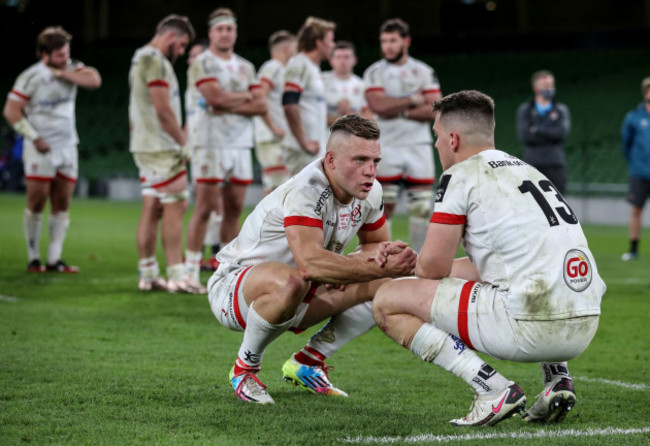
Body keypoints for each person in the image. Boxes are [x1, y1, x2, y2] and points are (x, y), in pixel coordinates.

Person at [372, 90, 606, 427]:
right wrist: (420, 266)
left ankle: (492, 389)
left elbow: (433, 268)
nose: (436, 145)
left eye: (436, 136)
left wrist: (413, 265)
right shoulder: (530, 171)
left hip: (528, 325)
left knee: (387, 300)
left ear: (453, 139)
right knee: (528, 271)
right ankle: (558, 380)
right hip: (584, 322)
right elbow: (496, 265)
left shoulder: (460, 175)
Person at [207, 115, 417, 404]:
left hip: (304, 287)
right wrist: (356, 267)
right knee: (292, 281)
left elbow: (375, 246)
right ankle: (245, 370)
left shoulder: (371, 191)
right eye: (359, 160)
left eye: (375, 161)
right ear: (330, 160)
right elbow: (310, 265)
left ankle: (308, 361)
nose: (370, 171)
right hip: (235, 290)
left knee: (387, 281)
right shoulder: (307, 190)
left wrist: (382, 261)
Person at [3, 26, 101, 273]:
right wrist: (34, 137)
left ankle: (55, 259)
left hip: (68, 146)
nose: (64, 59)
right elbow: (11, 111)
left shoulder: (71, 68)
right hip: (40, 148)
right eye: (59, 55)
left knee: (62, 202)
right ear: (44, 55)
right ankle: (34, 258)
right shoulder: (31, 77)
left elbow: (94, 80)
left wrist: (66, 73)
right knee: (36, 201)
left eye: (66, 53)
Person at [185, 8, 267, 286]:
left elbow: (261, 104)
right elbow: (213, 98)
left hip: (241, 143)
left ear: (235, 32)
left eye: (229, 29)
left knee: (234, 208)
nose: (225, 33)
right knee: (205, 207)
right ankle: (189, 271)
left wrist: (229, 100)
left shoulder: (246, 66)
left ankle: (225, 270)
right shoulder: (202, 62)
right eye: (219, 29)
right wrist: (244, 97)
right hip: (210, 142)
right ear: (210, 33)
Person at [129, 14, 202, 293]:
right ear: (171, 37)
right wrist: (182, 142)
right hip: (160, 146)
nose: (182, 52)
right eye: (182, 45)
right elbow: (162, 108)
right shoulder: (155, 60)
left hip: (144, 143)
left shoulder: (140, 58)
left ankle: (148, 273)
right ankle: (178, 275)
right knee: (177, 204)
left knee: (152, 207)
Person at [363, 18, 442, 253]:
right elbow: (378, 105)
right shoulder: (374, 72)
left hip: (418, 145)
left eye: (392, 41)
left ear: (405, 41)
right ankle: (382, 262)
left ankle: (420, 264)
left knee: (421, 208)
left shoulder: (424, 71)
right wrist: (414, 99)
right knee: (382, 206)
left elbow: (435, 108)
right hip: (386, 145)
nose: (387, 46)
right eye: (384, 41)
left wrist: (401, 110)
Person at [183, 40, 222, 272]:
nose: (192, 59)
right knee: (204, 201)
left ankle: (215, 251)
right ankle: (206, 252)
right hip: (197, 145)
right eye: (190, 56)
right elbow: (191, 117)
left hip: (213, 145)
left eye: (196, 55)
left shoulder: (211, 83)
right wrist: (185, 143)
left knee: (214, 202)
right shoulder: (191, 84)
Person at [282, 17, 335, 176]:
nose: (332, 45)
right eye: (330, 40)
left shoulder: (313, 68)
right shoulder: (299, 63)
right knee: (304, 199)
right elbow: (289, 103)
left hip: (315, 148)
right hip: (303, 150)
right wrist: (303, 142)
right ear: (318, 43)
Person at [253, 30, 296, 195]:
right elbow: (260, 98)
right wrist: (273, 128)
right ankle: (267, 221)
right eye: (294, 48)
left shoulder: (281, 70)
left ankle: (272, 221)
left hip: (278, 136)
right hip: (271, 136)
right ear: (286, 48)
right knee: (277, 186)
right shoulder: (272, 67)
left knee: (280, 183)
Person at [516, 70, 571, 195]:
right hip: (532, 165)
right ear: (536, 88)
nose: (550, 89)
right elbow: (525, 136)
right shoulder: (525, 110)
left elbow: (561, 134)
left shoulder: (561, 110)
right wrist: (550, 133)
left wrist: (537, 130)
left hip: (555, 164)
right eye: (546, 86)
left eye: (551, 85)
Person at [620, 77, 650, 261]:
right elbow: (626, 143)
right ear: (645, 93)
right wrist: (635, 163)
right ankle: (633, 248)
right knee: (636, 210)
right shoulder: (634, 117)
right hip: (640, 172)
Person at [322, 41, 373, 127]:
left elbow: (370, 117)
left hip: (353, 138)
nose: (343, 61)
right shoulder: (321, 81)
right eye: (338, 57)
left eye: (347, 57)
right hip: (325, 137)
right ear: (331, 61)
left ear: (354, 60)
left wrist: (348, 114)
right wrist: (348, 119)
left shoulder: (362, 85)